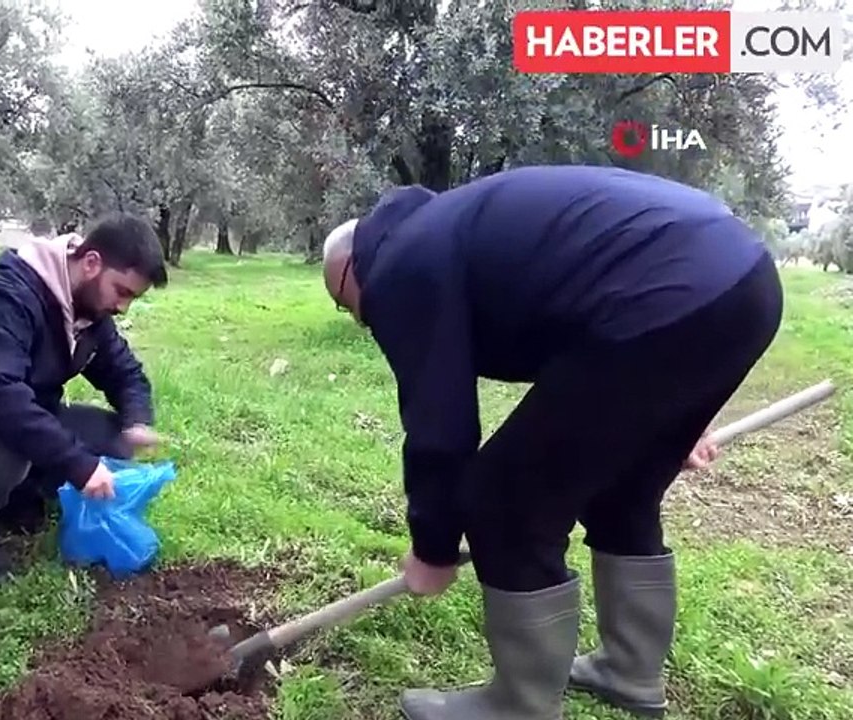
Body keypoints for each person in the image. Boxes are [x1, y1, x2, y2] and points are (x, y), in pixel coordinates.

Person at [321, 165, 783, 720]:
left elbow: (441, 428)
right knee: (620, 487)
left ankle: (519, 706)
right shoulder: (452, 231)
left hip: (662, 300)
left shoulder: (397, 265)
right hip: (742, 282)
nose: (361, 323)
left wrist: (433, 547)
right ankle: (628, 671)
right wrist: (665, 412)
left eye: (347, 308)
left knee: (503, 503)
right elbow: (583, 339)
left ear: (351, 270)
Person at [0, 211, 169, 584]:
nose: (123, 307)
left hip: (7, 415)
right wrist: (78, 464)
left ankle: (15, 498)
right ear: (91, 263)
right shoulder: (5, 299)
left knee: (111, 438)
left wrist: (137, 419)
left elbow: (125, 373)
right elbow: (0, 397)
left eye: (132, 299)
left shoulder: (88, 314)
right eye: (121, 292)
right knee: (9, 444)